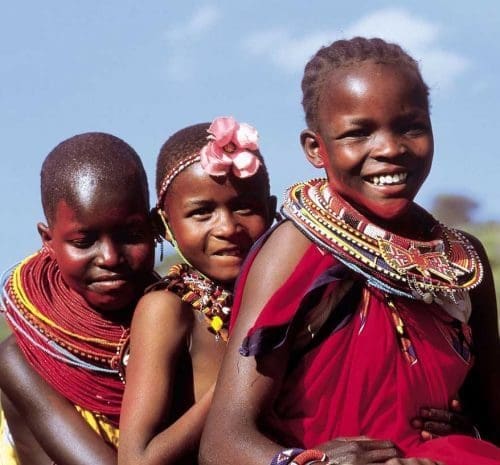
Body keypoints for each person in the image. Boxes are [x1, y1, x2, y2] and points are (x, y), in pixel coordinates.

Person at [199, 38, 500, 465]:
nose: (390, 148)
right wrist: (313, 464)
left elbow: (491, 420)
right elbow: (224, 442)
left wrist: (459, 431)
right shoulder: (294, 250)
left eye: (411, 126)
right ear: (315, 149)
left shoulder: (461, 263)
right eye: (358, 133)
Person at [117, 116, 276, 465]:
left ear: (271, 209)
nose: (228, 227)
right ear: (164, 223)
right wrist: (243, 381)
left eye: (245, 207)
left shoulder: (285, 300)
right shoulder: (168, 309)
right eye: (202, 212)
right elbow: (137, 459)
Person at [0, 132, 156, 465]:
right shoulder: (26, 357)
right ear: (48, 239)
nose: (111, 258)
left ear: (155, 225)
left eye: (131, 235)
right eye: (84, 242)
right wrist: (221, 400)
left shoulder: (187, 316)